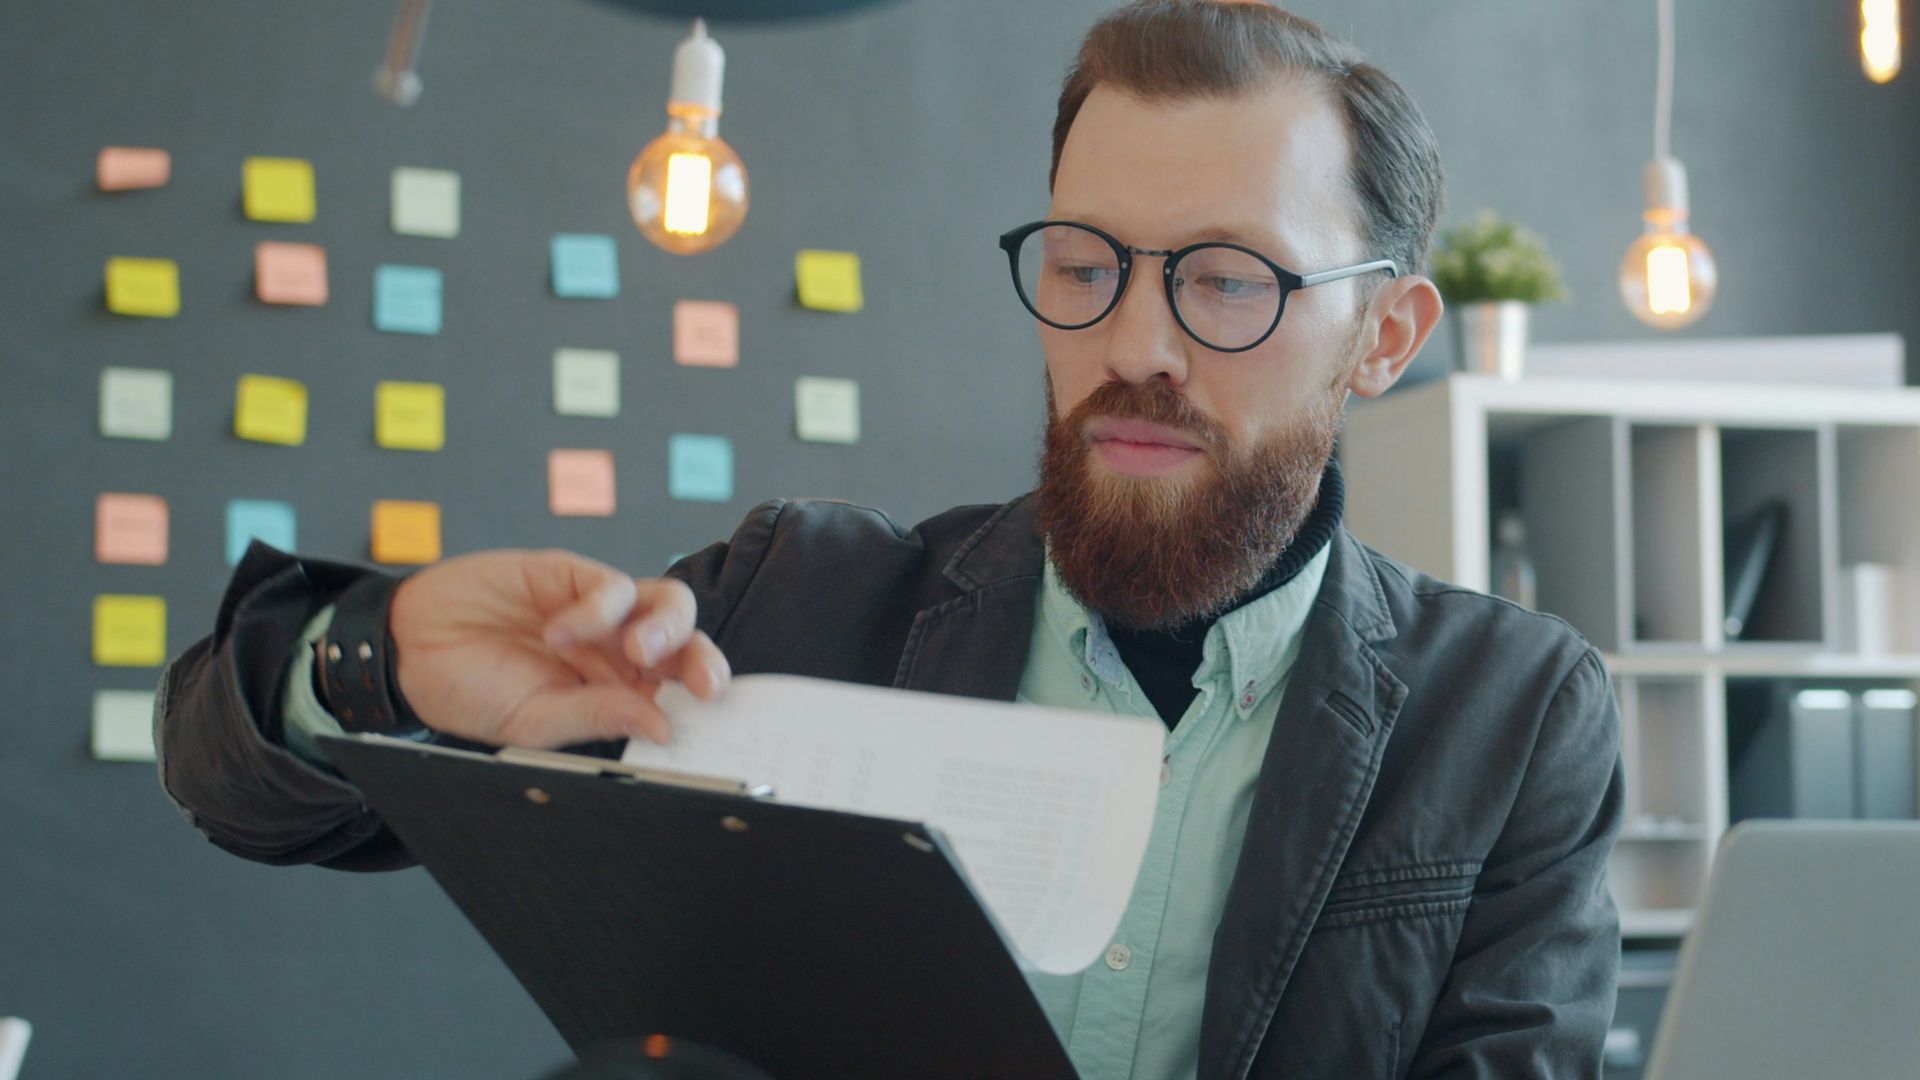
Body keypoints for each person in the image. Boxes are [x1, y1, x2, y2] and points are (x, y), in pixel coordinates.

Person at [155, 2, 1623, 1077]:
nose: (1136, 343)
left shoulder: (1513, 719)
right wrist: (382, 664)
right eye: (1085, 263)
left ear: (1384, 335)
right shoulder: (796, 606)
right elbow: (239, 792)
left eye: (1228, 282)